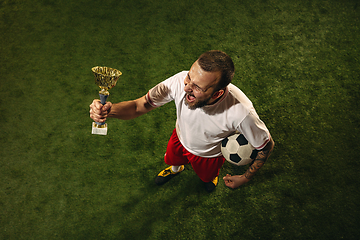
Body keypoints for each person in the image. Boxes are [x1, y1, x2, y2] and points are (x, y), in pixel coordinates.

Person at [89, 50, 274, 192]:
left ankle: (209, 178)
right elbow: (140, 105)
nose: (186, 87)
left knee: (206, 177)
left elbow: (266, 145)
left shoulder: (241, 112)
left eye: (197, 87)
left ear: (217, 93)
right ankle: (176, 169)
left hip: (208, 156)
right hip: (179, 138)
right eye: (189, 78)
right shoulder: (179, 81)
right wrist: (108, 111)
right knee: (172, 159)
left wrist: (245, 177)